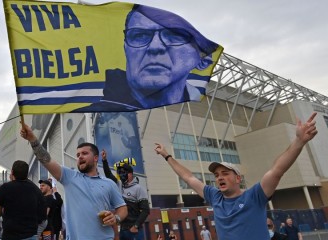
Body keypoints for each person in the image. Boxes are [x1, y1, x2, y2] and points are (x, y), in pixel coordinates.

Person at [154, 112, 318, 240]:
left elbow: (277, 170)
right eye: (217, 175)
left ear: (238, 178)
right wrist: (167, 156)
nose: (219, 177)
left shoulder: (254, 196)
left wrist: (298, 142)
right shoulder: (215, 196)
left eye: (225, 173)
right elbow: (188, 178)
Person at [75, 5, 219, 112]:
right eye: (139, 36)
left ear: (202, 60)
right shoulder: (90, 112)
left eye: (174, 36)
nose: (155, 47)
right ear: (126, 49)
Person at [20, 123, 128, 240]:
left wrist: (116, 218)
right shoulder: (69, 177)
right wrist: (32, 139)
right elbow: (46, 159)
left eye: (85, 153)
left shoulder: (109, 184)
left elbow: (122, 208)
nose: (80, 156)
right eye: (78, 155)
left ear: (96, 158)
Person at [101, 150, 149, 240]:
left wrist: (136, 226)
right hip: (123, 230)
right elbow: (109, 175)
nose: (121, 174)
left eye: (123, 172)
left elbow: (146, 210)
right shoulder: (119, 185)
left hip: (134, 231)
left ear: (130, 174)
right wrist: (104, 160)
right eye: (119, 172)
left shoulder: (139, 188)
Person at [0, 160, 45, 240]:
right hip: (31, 235)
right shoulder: (35, 189)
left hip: (10, 235)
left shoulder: (5, 188)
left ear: (12, 172)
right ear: (27, 174)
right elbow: (42, 214)